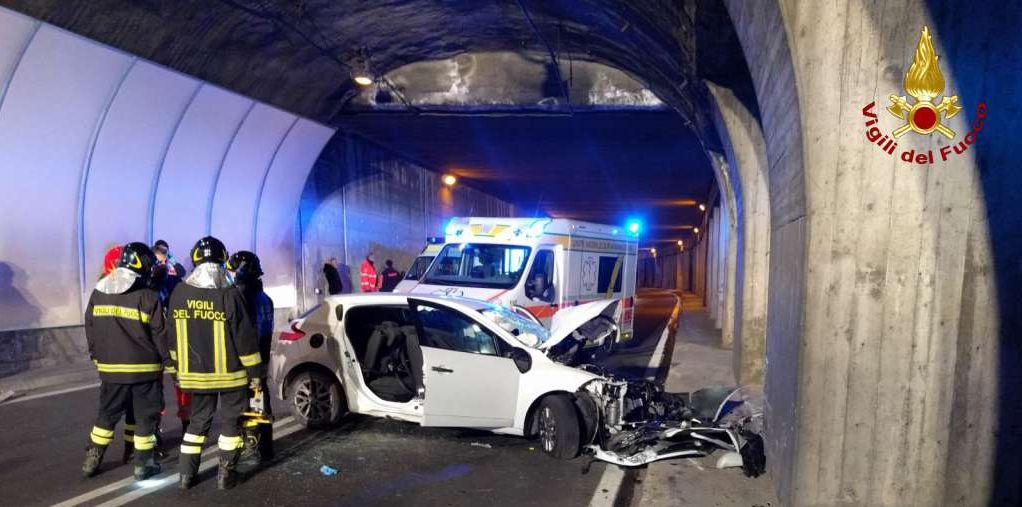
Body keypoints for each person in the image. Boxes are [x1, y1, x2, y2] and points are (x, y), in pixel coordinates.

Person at [168, 237, 264, 490]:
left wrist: (175, 368)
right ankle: (226, 475)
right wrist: (255, 372)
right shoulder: (229, 294)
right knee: (231, 423)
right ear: (223, 259)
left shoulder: (179, 292)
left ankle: (186, 476)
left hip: (195, 375)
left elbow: (171, 335)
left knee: (197, 423)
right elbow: (244, 338)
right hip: (231, 376)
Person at [82, 242, 169, 481]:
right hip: (144, 371)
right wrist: (170, 362)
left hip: (110, 370)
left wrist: (97, 356)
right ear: (142, 264)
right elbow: (160, 334)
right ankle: (143, 464)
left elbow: (90, 327)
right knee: (145, 417)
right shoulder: (147, 296)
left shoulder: (98, 292)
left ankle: (93, 458)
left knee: (107, 416)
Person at [227, 251, 274, 463]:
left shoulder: (241, 299)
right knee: (260, 401)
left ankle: (251, 448)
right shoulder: (265, 298)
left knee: (247, 405)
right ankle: (265, 448)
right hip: (261, 361)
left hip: (243, 362)